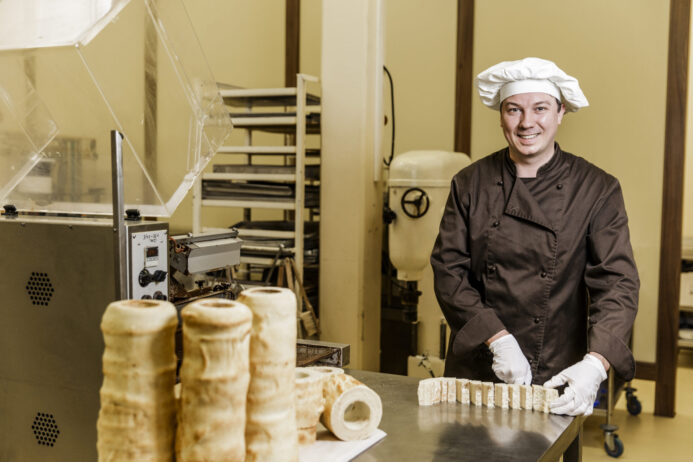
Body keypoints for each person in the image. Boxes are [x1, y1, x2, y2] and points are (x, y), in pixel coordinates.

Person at [430, 57, 639, 416]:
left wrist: (595, 364)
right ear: (501, 116)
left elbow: (617, 283)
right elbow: (449, 270)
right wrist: (497, 338)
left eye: (540, 108)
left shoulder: (597, 189)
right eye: (514, 110)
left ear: (560, 113)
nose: (527, 122)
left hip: (556, 370)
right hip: (479, 363)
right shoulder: (470, 183)